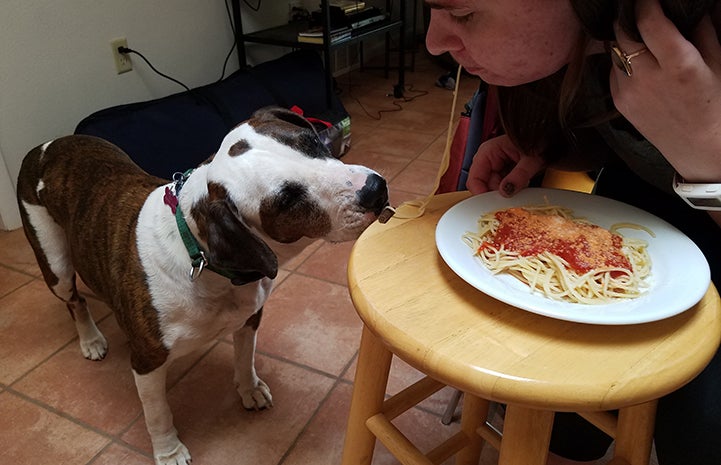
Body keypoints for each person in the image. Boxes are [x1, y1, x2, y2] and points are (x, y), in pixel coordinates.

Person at [424, 1, 721, 464]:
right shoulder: (591, 36)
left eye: (462, 15)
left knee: (701, 431)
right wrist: (550, 148)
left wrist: (710, 159)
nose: (433, 42)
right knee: (563, 407)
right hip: (637, 220)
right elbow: (621, 134)